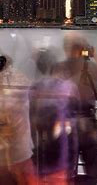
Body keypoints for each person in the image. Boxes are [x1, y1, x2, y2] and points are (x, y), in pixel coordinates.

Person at [53, 34, 97, 184]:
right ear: (82, 49)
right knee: (94, 167)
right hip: (88, 122)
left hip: (66, 123)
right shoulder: (91, 67)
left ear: (66, 49)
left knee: (67, 167)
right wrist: (96, 57)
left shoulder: (59, 68)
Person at [29, 48, 80, 184]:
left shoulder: (34, 88)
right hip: (60, 156)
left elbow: (30, 122)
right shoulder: (68, 88)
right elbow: (72, 126)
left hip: (37, 155)